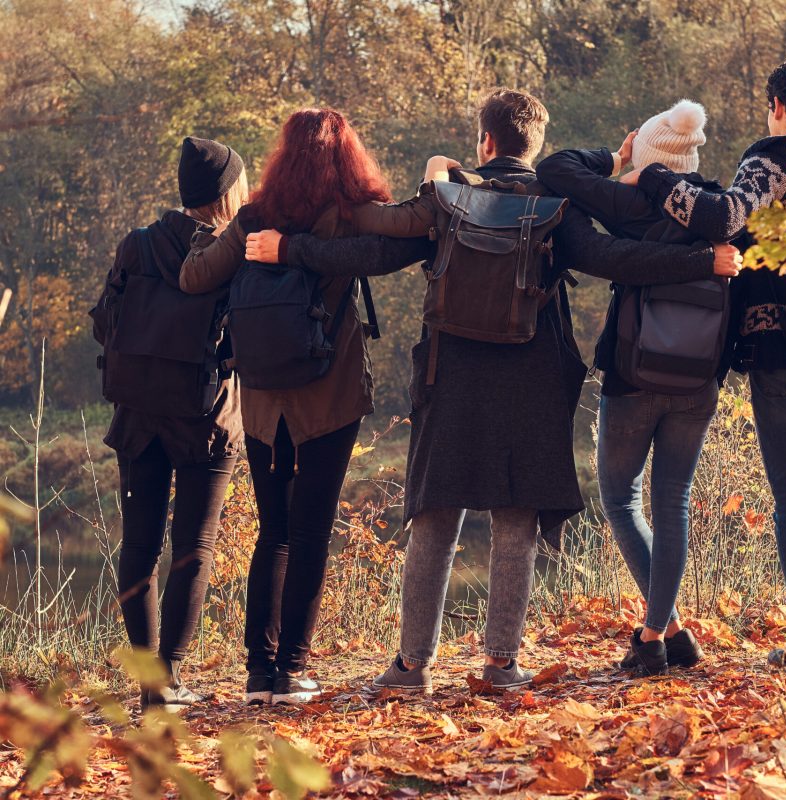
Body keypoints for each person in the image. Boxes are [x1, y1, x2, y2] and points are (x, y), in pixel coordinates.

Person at [245, 88, 742, 693]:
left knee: (435, 517)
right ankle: (501, 664)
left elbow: (373, 251)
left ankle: (410, 665)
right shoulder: (558, 206)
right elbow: (620, 259)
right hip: (530, 379)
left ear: (485, 141)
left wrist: (291, 246)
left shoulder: (451, 199)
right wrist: (700, 260)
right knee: (515, 520)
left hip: (450, 377)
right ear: (532, 145)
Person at [178, 109, 447, 704]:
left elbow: (195, 278)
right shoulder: (348, 215)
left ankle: (258, 673)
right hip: (329, 397)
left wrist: (227, 242)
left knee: (273, 531)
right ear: (347, 155)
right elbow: (418, 223)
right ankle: (293, 669)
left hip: (262, 399)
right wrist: (432, 176)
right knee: (311, 531)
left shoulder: (253, 219)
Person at [627, 57, 786, 668]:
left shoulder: (773, 157)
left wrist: (654, 177)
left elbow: (722, 218)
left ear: (778, 105)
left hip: (784, 348)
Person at [537, 100, 722, 674]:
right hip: (699, 378)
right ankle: (668, 629)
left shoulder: (634, 202)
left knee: (621, 498)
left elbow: (556, 169)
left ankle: (657, 634)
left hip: (635, 374)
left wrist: (617, 157)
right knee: (674, 502)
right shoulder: (717, 207)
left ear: (648, 158)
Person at [91, 137, 247, 709]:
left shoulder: (136, 245)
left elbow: (104, 323)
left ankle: (149, 684)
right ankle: (171, 676)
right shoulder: (230, 251)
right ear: (226, 192)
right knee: (193, 546)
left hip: (136, 413)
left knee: (139, 544)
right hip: (206, 416)